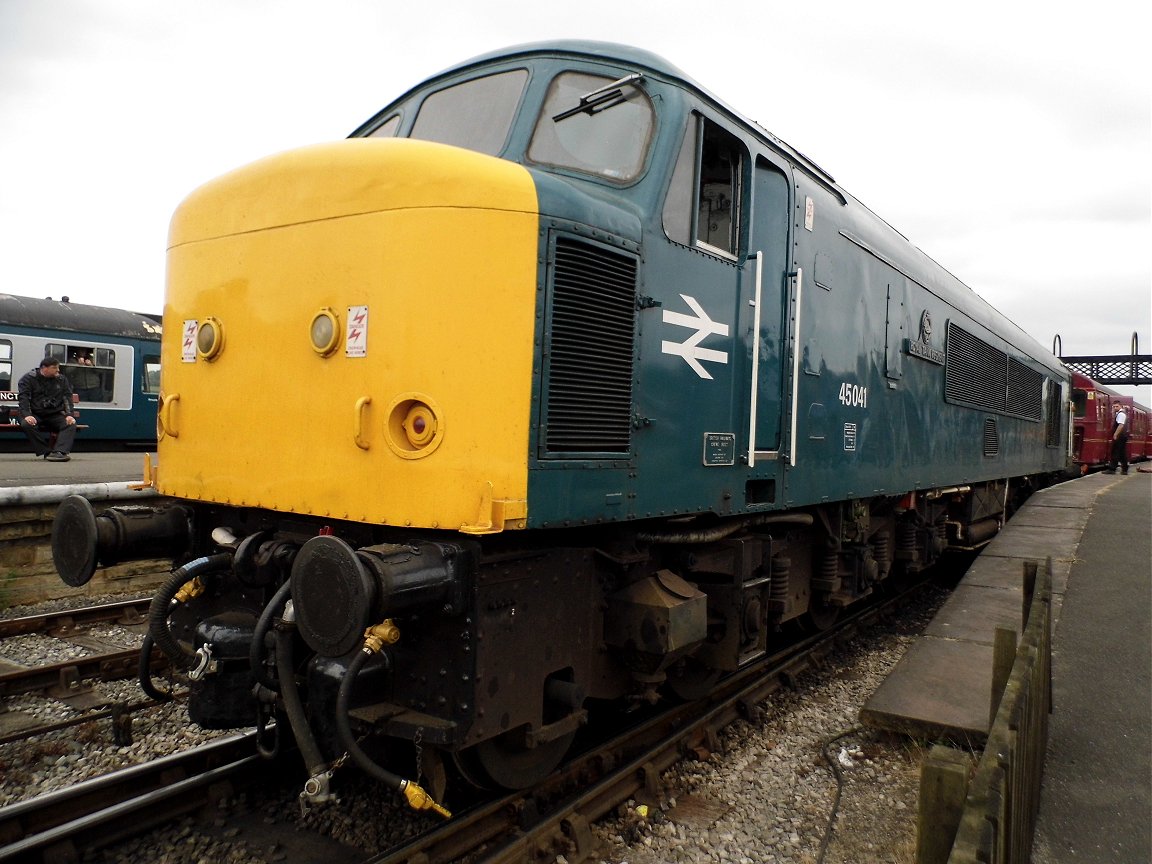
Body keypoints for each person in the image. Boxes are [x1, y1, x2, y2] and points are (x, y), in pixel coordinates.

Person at [17, 357, 77, 462]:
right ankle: (46, 451)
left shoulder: (61, 380)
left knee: (70, 424)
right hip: (34, 413)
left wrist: (69, 414)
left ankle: (60, 452)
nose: (58, 370)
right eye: (54, 368)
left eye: (58, 368)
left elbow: (67, 397)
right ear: (44, 368)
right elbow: (24, 398)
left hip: (53, 414)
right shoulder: (28, 379)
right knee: (27, 424)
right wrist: (27, 415)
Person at [1103, 403, 1129, 475]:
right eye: (1114, 406)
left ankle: (1112, 469)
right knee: (1122, 453)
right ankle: (1125, 469)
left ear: (1121, 406)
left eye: (1117, 406)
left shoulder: (1121, 414)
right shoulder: (1122, 413)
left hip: (1119, 436)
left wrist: (1115, 434)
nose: (1115, 408)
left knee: (1115, 452)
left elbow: (1121, 425)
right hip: (1122, 436)